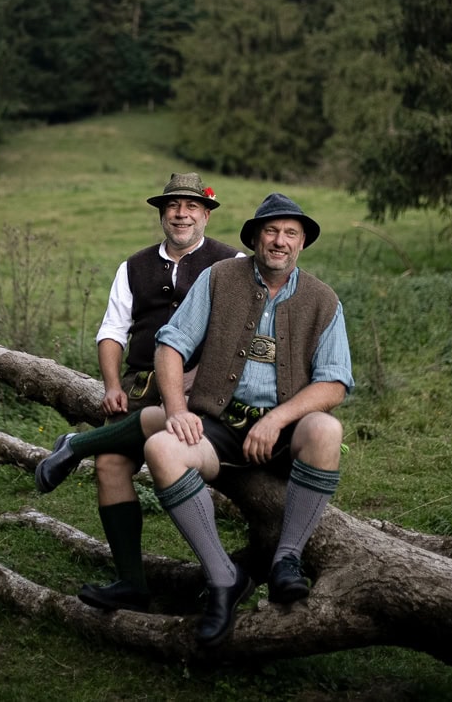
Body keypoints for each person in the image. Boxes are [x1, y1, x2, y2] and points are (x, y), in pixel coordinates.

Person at [144, 192, 353, 646]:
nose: (280, 241)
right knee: (160, 447)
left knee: (326, 429)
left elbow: (335, 383)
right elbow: (171, 344)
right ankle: (224, 578)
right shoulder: (220, 278)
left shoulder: (323, 300)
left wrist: (277, 419)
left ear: (302, 243)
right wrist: (176, 409)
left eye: (290, 233)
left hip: (285, 433)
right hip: (218, 425)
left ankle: (287, 560)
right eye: (271, 231)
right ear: (256, 238)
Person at [34, 172, 240, 613]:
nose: (181, 215)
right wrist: (111, 385)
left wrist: (197, 377)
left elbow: (240, 333)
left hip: (203, 384)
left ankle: (76, 445)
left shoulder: (232, 262)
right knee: (110, 464)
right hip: (142, 382)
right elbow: (113, 331)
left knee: (175, 426)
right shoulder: (133, 266)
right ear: (162, 214)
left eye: (191, 207)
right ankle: (131, 583)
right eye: (173, 207)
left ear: (206, 214)